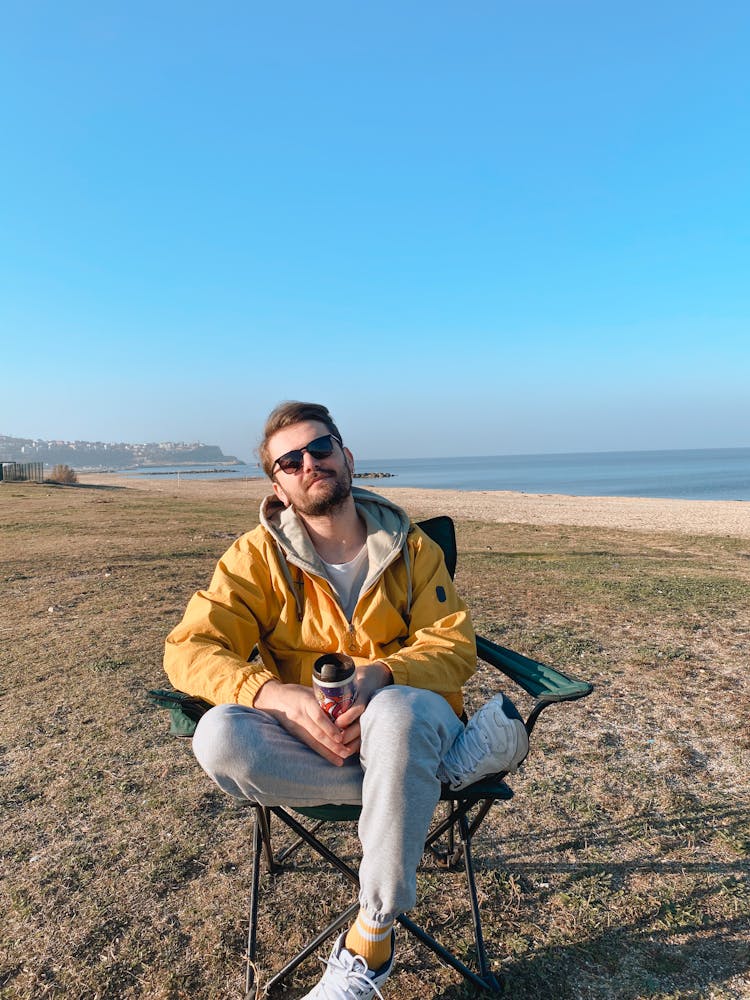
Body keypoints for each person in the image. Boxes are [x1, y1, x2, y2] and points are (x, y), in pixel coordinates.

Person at [164, 401, 529, 999]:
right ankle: (437, 777)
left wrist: (383, 672)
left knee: (393, 714)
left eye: (321, 448)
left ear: (347, 456)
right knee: (218, 735)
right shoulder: (256, 557)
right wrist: (271, 694)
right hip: (319, 743)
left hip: (411, 718)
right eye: (290, 460)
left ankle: (372, 935)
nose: (310, 463)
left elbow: (455, 646)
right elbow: (189, 648)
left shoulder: (411, 548)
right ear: (277, 483)